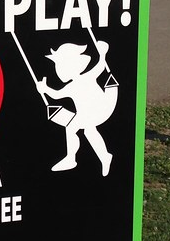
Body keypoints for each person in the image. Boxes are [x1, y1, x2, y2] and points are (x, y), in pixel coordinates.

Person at [38, 38, 118, 175]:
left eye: (60, 66)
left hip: (99, 109)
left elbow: (101, 66)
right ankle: (101, 157)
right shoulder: (71, 85)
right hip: (85, 114)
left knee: (81, 129)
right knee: (82, 129)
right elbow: (57, 95)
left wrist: (103, 53)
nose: (58, 70)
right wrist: (44, 89)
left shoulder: (87, 77)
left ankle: (74, 158)